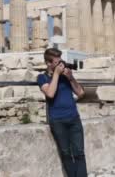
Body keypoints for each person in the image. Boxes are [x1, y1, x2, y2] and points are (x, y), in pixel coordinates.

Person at [37, 48, 87, 177]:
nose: (60, 65)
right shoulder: (42, 77)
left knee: (79, 153)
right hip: (58, 121)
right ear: (48, 63)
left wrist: (70, 78)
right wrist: (57, 75)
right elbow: (50, 93)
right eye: (56, 62)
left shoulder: (65, 76)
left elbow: (81, 93)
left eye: (60, 61)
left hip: (74, 118)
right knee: (66, 154)